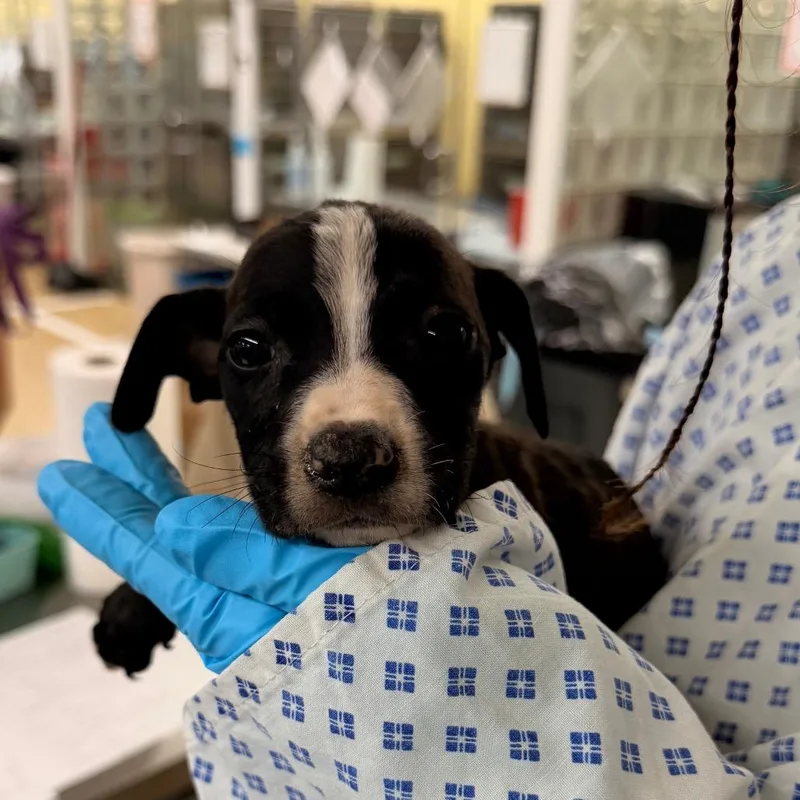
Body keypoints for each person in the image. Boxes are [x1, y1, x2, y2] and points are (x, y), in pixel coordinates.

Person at [39, 199, 800, 799]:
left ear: (498, 350)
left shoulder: (528, 510)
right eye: (252, 351)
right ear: (205, 359)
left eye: (439, 339)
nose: (349, 437)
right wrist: (158, 589)